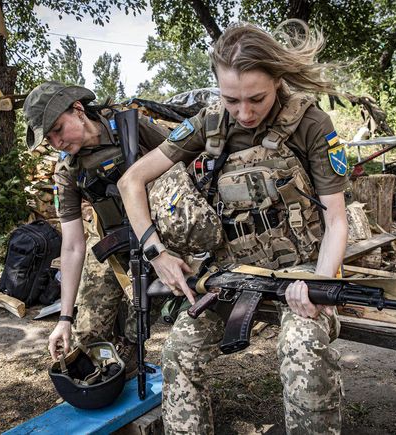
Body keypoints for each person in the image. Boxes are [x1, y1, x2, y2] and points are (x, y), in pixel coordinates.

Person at [119, 20, 348, 434]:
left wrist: (319, 284)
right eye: (231, 100)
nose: (244, 112)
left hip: (301, 272)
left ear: (278, 80)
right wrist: (158, 255)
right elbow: (131, 180)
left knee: (303, 346)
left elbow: (335, 218)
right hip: (233, 276)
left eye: (256, 98)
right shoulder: (209, 124)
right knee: (178, 353)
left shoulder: (312, 123)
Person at [23, 82, 170, 370]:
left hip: (157, 235)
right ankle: (100, 372)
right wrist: (64, 318)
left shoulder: (131, 125)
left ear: (78, 110)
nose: (56, 143)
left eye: (58, 129)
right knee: (87, 333)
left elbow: (183, 156)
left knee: (135, 325)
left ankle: (128, 356)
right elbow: (73, 244)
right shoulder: (67, 170)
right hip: (110, 243)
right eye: (49, 139)